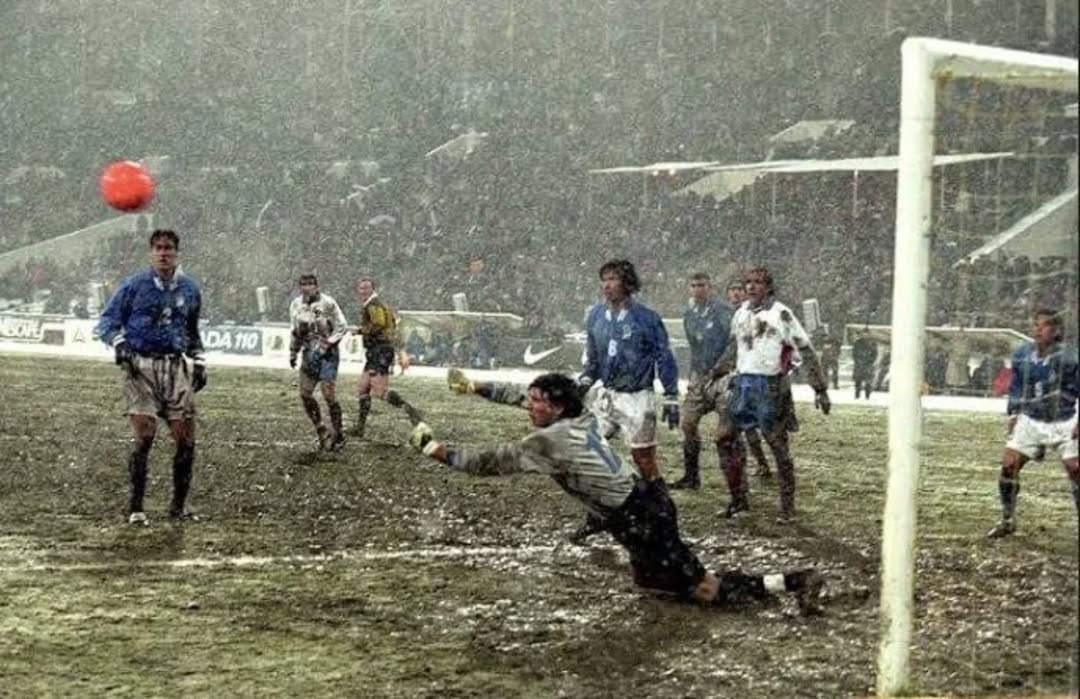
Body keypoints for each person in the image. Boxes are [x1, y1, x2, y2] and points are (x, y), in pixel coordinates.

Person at [417, 371, 825, 612]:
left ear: (556, 408)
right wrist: (474, 386)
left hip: (640, 517)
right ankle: (746, 585)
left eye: (537, 402)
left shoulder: (550, 442)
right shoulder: (580, 415)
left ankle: (794, 582)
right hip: (644, 504)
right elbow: (519, 395)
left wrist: (435, 449)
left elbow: (488, 462)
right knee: (651, 583)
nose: (529, 405)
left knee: (704, 589)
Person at [96, 229, 206, 525]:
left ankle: (178, 506)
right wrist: (119, 344)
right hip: (140, 366)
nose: (163, 253)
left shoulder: (189, 289)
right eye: (158, 248)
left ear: (177, 253)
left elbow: (191, 329)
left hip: (175, 366)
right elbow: (107, 322)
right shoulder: (134, 285)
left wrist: (199, 359)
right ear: (150, 253)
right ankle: (136, 507)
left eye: (168, 248)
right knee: (144, 436)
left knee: (186, 440)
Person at [707, 267, 831, 522]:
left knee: (777, 446)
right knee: (724, 438)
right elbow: (734, 347)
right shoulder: (741, 313)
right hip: (743, 384)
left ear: (769, 287)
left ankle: (788, 509)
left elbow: (805, 349)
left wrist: (819, 388)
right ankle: (738, 499)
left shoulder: (781, 314)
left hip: (769, 386)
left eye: (758, 283)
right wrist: (718, 370)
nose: (751, 287)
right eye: (748, 283)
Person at [574, 259, 680, 542]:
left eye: (613, 279)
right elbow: (593, 358)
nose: (607, 285)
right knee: (588, 450)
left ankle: (664, 516)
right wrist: (585, 381)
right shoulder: (596, 315)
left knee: (643, 459)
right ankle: (597, 516)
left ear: (627, 283)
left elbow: (664, 357)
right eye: (604, 279)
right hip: (607, 396)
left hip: (637, 397)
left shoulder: (646, 318)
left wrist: (671, 395)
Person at [987, 309, 1079, 538]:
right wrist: (1013, 414)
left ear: (1056, 331)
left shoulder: (1070, 357)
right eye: (1036, 324)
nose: (1038, 329)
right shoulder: (1022, 354)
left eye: (1044, 325)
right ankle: (1007, 519)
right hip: (1031, 419)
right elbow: (1017, 387)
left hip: (1064, 420)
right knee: (1009, 465)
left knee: (1075, 469)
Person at [672, 272, 732, 490]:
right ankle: (691, 477)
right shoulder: (689, 315)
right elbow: (694, 347)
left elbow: (732, 341)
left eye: (702, 285)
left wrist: (725, 366)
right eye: (694, 285)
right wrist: (693, 375)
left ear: (710, 287)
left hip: (724, 376)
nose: (698, 289)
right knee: (687, 424)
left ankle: (736, 487)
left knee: (726, 433)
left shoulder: (722, 311)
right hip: (700, 375)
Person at [351, 276, 422, 437]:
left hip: (379, 350)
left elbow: (379, 323)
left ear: (373, 289)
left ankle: (410, 410)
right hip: (378, 350)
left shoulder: (373, 305)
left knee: (379, 391)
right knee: (363, 388)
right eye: (361, 288)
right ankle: (360, 427)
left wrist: (361, 330)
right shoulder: (380, 304)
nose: (363, 291)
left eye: (366, 288)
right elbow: (391, 326)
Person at [288, 274, 348, 451]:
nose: (307, 288)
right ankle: (321, 429)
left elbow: (342, 325)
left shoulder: (328, 303)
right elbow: (295, 331)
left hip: (328, 354)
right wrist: (293, 351)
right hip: (309, 353)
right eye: (303, 284)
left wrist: (329, 342)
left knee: (328, 394)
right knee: (305, 394)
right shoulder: (296, 305)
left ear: (316, 286)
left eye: (310, 284)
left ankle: (338, 434)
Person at [725, 279, 772, 477]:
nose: (736, 293)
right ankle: (758, 463)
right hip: (736, 374)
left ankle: (765, 462)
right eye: (732, 290)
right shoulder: (727, 313)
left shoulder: (760, 314)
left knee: (764, 424)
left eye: (739, 289)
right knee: (743, 425)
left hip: (757, 376)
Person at [852, 330, 878, 400]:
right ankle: (857, 395)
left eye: (866, 334)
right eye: (863, 334)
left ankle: (867, 396)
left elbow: (875, 354)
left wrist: (870, 361)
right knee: (858, 381)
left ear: (869, 334)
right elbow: (854, 353)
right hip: (859, 364)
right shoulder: (857, 343)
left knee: (868, 381)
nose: (865, 335)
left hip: (868, 364)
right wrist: (857, 361)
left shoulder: (872, 343)